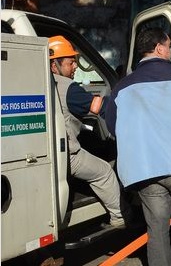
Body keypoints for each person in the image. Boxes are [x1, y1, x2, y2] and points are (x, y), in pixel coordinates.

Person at [104, 28, 171, 266]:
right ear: (159, 48)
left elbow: (113, 126)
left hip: (143, 171)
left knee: (157, 231)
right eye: (169, 45)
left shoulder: (122, 87)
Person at [48, 35, 128, 228]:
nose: (75, 67)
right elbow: (98, 106)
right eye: (70, 62)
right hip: (69, 155)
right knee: (105, 172)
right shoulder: (69, 88)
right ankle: (120, 217)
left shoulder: (40, 83)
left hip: (50, 153)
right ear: (54, 66)